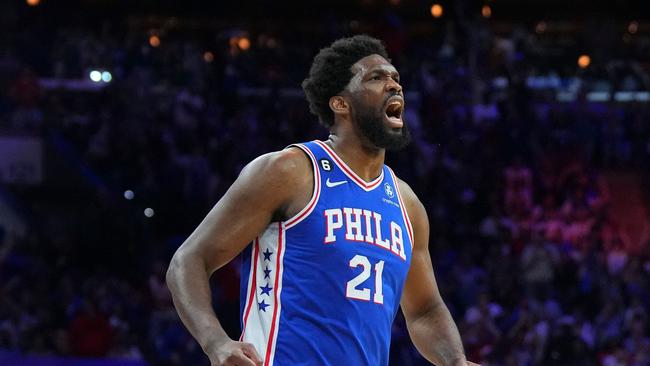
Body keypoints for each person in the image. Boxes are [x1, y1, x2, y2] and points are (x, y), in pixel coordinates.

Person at [166, 35, 477, 366]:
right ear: (340, 103)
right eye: (376, 77)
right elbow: (188, 261)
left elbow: (425, 310)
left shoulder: (406, 204)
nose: (393, 85)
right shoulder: (289, 172)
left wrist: (455, 361)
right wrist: (216, 342)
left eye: (395, 78)